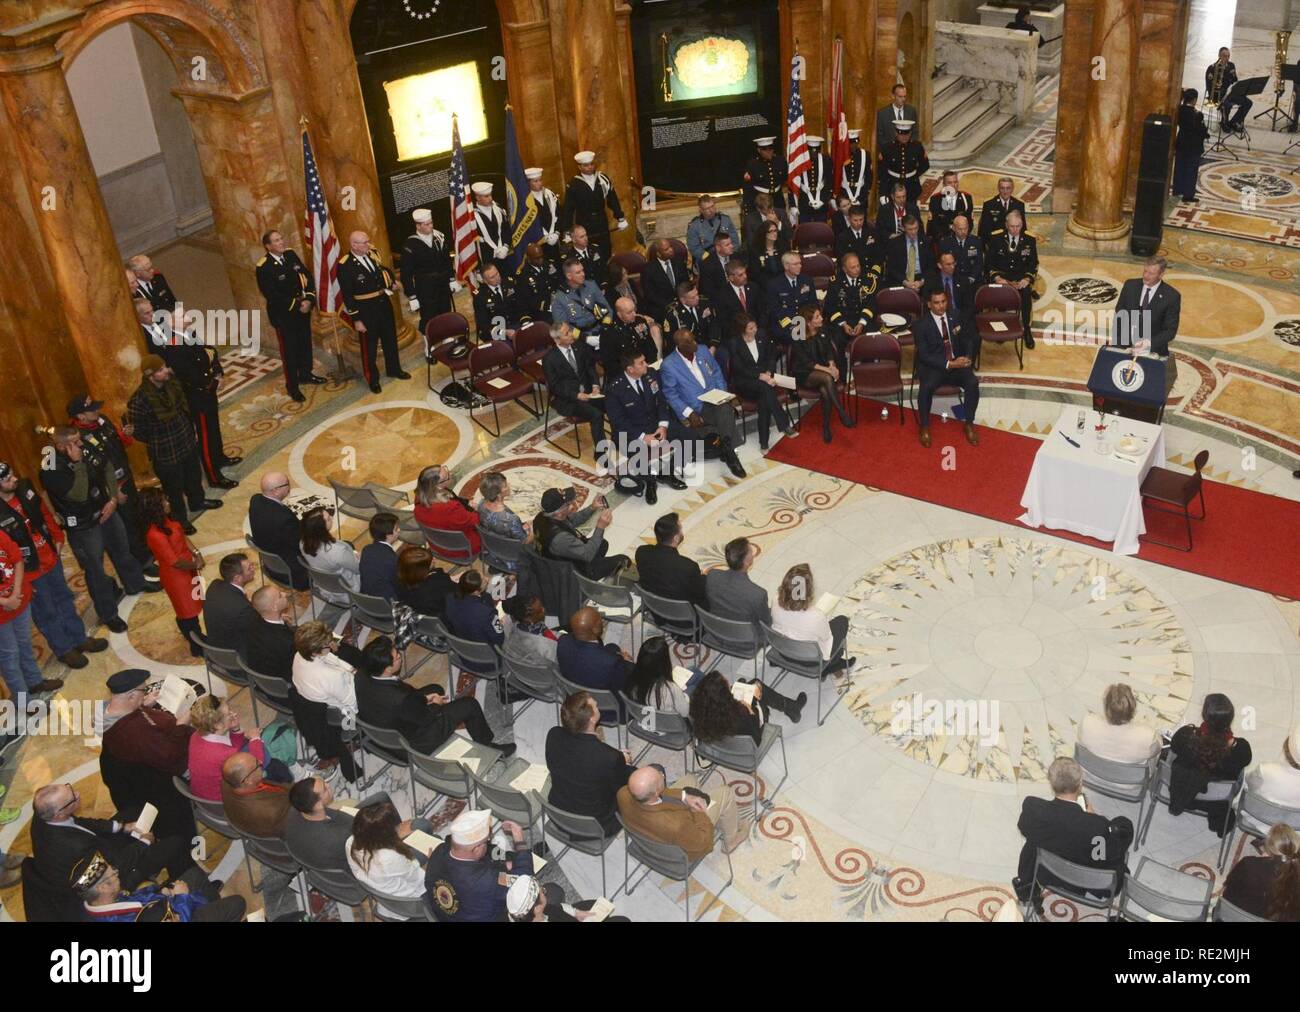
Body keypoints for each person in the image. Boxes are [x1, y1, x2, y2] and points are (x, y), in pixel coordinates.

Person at [39, 426, 157, 634]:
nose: (80, 445)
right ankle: (108, 614)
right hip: (84, 526)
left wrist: (112, 498)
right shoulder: (50, 467)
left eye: (79, 440)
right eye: (74, 443)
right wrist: (78, 464)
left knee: (123, 551)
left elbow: (107, 467)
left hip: (106, 511)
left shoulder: (84, 447)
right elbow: (78, 494)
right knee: (96, 571)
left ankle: (135, 583)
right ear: (59, 446)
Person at [0, 461, 99, 671]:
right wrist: (20, 580)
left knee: (64, 597)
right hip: (28, 570)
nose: (15, 479)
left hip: (49, 557)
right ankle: (64, 649)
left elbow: (44, 512)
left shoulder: (25, 488)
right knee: (46, 611)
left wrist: (56, 535)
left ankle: (78, 637)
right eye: (8, 479)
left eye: (13, 474)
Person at [354, 635, 509, 756]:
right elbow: (425, 718)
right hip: (415, 741)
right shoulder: (401, 699)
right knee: (469, 705)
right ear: (387, 668)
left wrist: (424, 698)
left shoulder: (361, 675)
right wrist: (435, 704)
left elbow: (407, 703)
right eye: (397, 657)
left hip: (390, 721)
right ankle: (490, 748)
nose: (400, 656)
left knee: (435, 688)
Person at [1013, 757, 1133, 910]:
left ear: (1051, 783)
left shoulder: (1033, 808)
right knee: (1123, 824)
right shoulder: (1097, 826)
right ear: (1080, 784)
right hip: (1085, 880)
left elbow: (1025, 828)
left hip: (1046, 872)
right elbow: (1100, 858)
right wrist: (1094, 818)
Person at [32, 781, 196, 892]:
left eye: (71, 789)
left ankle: (154, 857)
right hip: (111, 879)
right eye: (73, 797)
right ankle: (185, 881)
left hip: (101, 852)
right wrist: (144, 842)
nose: (78, 794)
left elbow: (82, 822)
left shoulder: (45, 814)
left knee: (134, 813)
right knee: (175, 844)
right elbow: (116, 865)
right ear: (59, 814)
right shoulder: (73, 846)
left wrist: (123, 827)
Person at [127, 355, 221, 534]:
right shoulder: (140, 400)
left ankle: (197, 501)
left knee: (193, 476)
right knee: (174, 489)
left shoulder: (172, 383)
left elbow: (183, 406)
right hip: (165, 451)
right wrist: (158, 438)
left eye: (164, 367)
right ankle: (181, 519)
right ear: (151, 376)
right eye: (161, 370)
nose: (166, 371)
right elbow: (139, 431)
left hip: (185, 439)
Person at [152, 301, 240, 489]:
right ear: (172, 323)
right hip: (198, 396)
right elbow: (190, 375)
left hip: (208, 392)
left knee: (214, 428)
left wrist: (218, 371)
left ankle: (220, 457)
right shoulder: (175, 345)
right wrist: (214, 382)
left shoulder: (189, 334)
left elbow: (209, 352)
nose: (188, 316)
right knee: (206, 436)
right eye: (182, 316)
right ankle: (214, 476)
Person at [67, 394, 154, 571]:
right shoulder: (78, 439)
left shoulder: (102, 420)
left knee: (136, 516)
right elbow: (94, 472)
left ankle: (148, 550)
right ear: (80, 416)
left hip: (126, 476)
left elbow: (116, 442)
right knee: (127, 525)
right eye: (91, 409)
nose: (97, 410)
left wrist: (125, 435)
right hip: (113, 487)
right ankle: (142, 562)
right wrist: (114, 491)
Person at [545, 690, 636, 835]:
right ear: (592, 719)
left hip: (559, 813)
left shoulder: (553, 735)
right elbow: (622, 785)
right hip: (595, 824)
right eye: (595, 706)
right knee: (642, 779)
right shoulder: (609, 757)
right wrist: (624, 762)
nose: (597, 705)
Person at [604, 351, 689, 503]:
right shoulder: (614, 389)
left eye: (645, 361)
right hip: (631, 432)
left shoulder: (651, 374)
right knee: (638, 458)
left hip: (655, 425)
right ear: (630, 369)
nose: (647, 364)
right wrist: (643, 437)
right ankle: (650, 482)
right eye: (641, 363)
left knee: (689, 438)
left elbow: (662, 401)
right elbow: (619, 421)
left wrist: (663, 425)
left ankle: (667, 473)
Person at [660, 329, 747, 479]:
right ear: (680, 345)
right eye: (690, 342)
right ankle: (729, 451)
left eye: (694, 339)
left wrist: (723, 394)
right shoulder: (669, 365)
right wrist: (689, 413)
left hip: (715, 398)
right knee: (725, 412)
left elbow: (717, 373)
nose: (695, 343)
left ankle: (727, 449)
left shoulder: (703, 350)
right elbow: (670, 394)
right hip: (696, 406)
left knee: (724, 407)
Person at [424, 809, 536, 922]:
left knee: (500, 857)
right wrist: (520, 841)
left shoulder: (438, 853)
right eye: (487, 841)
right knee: (551, 892)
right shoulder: (487, 881)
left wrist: (502, 867)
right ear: (476, 848)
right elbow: (524, 881)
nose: (488, 842)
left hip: (449, 916)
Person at [72, 849, 245, 922]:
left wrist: (157, 890)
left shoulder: (93, 903)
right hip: (177, 915)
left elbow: (131, 898)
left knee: (194, 874)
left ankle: (209, 900)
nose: (117, 873)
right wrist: (181, 896)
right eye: (112, 874)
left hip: (161, 905)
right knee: (237, 903)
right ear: (102, 887)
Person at [336, 230, 411, 393]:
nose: (368, 245)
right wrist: (356, 319)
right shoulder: (345, 265)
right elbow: (347, 295)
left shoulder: (372, 254)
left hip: (383, 304)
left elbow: (382, 270)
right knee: (369, 347)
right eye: (364, 242)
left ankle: (394, 369)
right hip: (365, 311)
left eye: (368, 241)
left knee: (390, 339)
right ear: (354, 245)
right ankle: (373, 379)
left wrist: (390, 282)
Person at [1169, 693, 1253, 837]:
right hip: (1216, 803)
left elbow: (1174, 748)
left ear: (1204, 715)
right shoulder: (1241, 749)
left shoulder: (1185, 736)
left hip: (1184, 794)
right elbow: (1244, 762)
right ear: (1230, 720)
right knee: (1240, 772)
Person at [617, 764, 746, 857]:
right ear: (656, 792)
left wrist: (685, 797)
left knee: (691, 779)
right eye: (660, 776)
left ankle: (723, 818)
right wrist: (699, 812)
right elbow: (701, 842)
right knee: (725, 792)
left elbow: (661, 794)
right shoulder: (678, 826)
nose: (663, 774)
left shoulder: (623, 793)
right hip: (687, 837)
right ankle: (730, 841)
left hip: (648, 827)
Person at [256, 229, 323, 402]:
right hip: (285, 315)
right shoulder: (264, 267)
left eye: (281, 238)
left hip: (303, 309)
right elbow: (272, 294)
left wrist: (308, 299)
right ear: (268, 246)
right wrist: (297, 305)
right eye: (276, 241)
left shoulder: (291, 255)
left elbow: (306, 277)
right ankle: (292, 386)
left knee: (305, 343)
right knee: (290, 351)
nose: (281, 242)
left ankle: (306, 374)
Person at [138, 487, 204, 657]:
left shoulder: (167, 521)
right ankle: (197, 646)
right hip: (177, 579)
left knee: (194, 606)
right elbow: (174, 562)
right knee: (188, 611)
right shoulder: (155, 535)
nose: (168, 503)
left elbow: (182, 537)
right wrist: (195, 565)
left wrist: (196, 553)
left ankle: (191, 632)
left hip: (188, 570)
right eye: (164, 501)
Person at [187, 695, 289, 802]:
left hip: (204, 797)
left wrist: (236, 729)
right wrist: (255, 739)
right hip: (226, 803)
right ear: (218, 725)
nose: (233, 714)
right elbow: (257, 765)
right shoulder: (224, 754)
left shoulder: (195, 736)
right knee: (272, 762)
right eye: (228, 713)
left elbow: (236, 749)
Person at [914, 287, 980, 447]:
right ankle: (924, 426)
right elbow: (923, 355)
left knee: (972, 383)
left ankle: (969, 422)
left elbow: (968, 339)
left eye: (943, 301)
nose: (941, 306)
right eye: (936, 303)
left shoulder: (955, 316)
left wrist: (968, 357)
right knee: (926, 387)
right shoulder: (920, 325)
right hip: (934, 367)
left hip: (957, 364)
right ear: (929, 304)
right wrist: (949, 363)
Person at [346, 799, 435, 917]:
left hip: (387, 902)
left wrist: (396, 836)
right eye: (397, 825)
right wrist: (434, 862)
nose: (401, 825)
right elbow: (419, 880)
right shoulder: (390, 857)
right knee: (436, 846)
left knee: (424, 832)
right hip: (412, 905)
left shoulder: (350, 843)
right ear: (386, 833)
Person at [1110, 256, 1181, 395]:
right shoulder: (1130, 285)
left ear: (1161, 274)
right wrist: (1120, 343)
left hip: (1152, 353)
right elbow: (1120, 313)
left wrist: (1147, 343)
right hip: (1124, 348)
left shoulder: (1171, 296)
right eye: (1145, 271)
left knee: (1146, 393)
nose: (1146, 276)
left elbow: (1170, 331)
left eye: (1151, 273)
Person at [771, 563, 855, 675]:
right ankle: (830, 666)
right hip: (810, 661)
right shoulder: (816, 616)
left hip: (782, 651)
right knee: (842, 621)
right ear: (808, 590)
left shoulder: (775, 600)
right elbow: (826, 638)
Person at [542, 322, 606, 463]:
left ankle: (619, 439)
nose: (571, 334)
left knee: (614, 402)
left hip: (589, 391)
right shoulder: (549, 359)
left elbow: (590, 368)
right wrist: (576, 395)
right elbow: (555, 386)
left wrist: (595, 384)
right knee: (596, 415)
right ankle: (601, 454)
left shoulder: (579, 347)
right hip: (568, 399)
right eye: (567, 333)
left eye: (570, 330)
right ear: (557, 340)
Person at [727, 313, 794, 450]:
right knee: (766, 388)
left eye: (755, 326)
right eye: (751, 328)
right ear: (743, 329)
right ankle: (783, 423)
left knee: (765, 396)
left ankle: (764, 441)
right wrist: (760, 376)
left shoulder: (762, 335)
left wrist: (769, 372)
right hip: (745, 382)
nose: (755, 330)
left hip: (765, 380)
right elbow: (739, 368)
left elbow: (771, 356)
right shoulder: (735, 343)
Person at [0, 524, 49, 705]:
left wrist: (16, 592)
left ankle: (34, 681)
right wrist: (6, 601)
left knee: (24, 643)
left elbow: (18, 560)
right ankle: (24, 702)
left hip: (20, 600)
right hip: (2, 613)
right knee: (9, 657)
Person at [789, 306, 854, 443]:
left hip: (823, 369)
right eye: (817, 317)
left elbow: (829, 350)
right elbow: (806, 363)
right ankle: (841, 412)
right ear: (808, 322)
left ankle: (826, 426)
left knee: (825, 390)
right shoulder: (797, 335)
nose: (821, 319)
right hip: (804, 373)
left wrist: (832, 364)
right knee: (827, 378)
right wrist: (828, 370)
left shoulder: (823, 329)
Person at [533, 486, 627, 580]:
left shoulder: (542, 516)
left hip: (562, 559)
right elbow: (588, 554)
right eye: (569, 503)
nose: (574, 503)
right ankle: (591, 576)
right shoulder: (560, 538)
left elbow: (572, 520)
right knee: (623, 560)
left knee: (602, 543)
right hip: (573, 573)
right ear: (559, 513)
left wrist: (592, 507)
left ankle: (597, 565)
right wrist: (600, 527)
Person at [690, 669, 805, 742]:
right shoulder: (741, 714)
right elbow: (756, 739)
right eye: (727, 686)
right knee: (757, 685)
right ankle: (792, 707)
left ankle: (743, 685)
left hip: (726, 734)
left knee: (746, 686)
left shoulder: (699, 709)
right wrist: (751, 708)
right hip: (753, 727)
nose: (729, 684)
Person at [1220, 824, 1300, 922]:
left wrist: (1262, 861)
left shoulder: (1249, 864)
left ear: (1267, 847)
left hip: (1235, 915)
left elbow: (1229, 883)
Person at [399, 208, 460, 335]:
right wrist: (412, 296)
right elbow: (406, 273)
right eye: (427, 224)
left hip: (442, 282)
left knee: (445, 310)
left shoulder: (439, 237)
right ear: (418, 226)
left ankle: (446, 336)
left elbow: (446, 261)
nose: (431, 226)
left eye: (431, 222)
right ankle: (429, 341)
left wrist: (452, 279)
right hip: (425, 286)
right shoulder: (410, 245)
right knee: (428, 315)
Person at [556, 607, 633, 707]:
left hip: (574, 693)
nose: (602, 622)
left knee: (612, 647)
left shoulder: (562, 641)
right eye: (600, 621)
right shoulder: (611, 663)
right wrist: (625, 663)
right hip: (605, 709)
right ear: (595, 630)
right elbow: (621, 689)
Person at [984, 209, 1038, 348]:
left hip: (1020, 280)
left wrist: (1027, 279)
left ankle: (1026, 329)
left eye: (1018, 226)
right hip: (1003, 278)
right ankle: (1001, 328)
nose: (1015, 230)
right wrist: (997, 278)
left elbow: (1033, 263)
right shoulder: (996, 238)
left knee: (1026, 296)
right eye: (1012, 226)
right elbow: (989, 263)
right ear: (1006, 225)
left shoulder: (1029, 240)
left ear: (1022, 225)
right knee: (999, 297)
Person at [248, 471, 309, 590]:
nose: (289, 486)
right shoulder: (283, 519)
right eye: (287, 484)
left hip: (270, 564)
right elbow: (301, 546)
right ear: (275, 491)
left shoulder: (255, 500)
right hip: (293, 573)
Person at [292, 619, 358, 723]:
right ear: (315, 651)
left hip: (319, 694)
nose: (331, 644)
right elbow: (352, 703)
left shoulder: (299, 655)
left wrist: (351, 669)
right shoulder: (332, 677)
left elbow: (328, 658)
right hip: (346, 710)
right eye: (328, 644)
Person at [635, 511, 707, 606]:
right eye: (681, 529)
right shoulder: (688, 567)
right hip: (682, 617)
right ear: (676, 538)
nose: (682, 531)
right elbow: (699, 595)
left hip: (654, 608)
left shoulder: (642, 552)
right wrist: (703, 578)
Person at [559, 151, 628, 249]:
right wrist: (567, 231)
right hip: (584, 224)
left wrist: (620, 218)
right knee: (588, 251)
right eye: (586, 165)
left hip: (601, 222)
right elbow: (568, 209)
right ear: (579, 167)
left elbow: (612, 199)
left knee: (606, 249)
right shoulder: (573, 184)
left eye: (592, 164)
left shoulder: (602, 178)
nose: (590, 167)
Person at [285, 776, 357, 870]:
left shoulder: (293, 812)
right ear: (318, 805)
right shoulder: (341, 837)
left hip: (318, 867)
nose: (328, 785)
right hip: (350, 872)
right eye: (325, 789)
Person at [1078, 683, 1161, 764]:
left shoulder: (1087, 723)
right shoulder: (1147, 736)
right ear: (1133, 709)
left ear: (1106, 708)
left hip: (1093, 775)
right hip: (1130, 777)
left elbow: (1081, 738)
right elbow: (1157, 749)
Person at [413, 463, 479, 562]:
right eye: (447, 476)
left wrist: (466, 502)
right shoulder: (450, 508)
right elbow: (474, 521)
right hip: (461, 548)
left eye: (446, 470)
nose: (451, 474)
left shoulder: (420, 498)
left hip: (438, 544)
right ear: (438, 485)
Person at [549, 256, 614, 356]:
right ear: (569, 276)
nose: (583, 274)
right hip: (578, 338)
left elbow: (607, 309)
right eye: (578, 272)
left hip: (600, 329)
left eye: (582, 270)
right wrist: (585, 338)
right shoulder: (559, 298)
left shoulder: (591, 285)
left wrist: (604, 329)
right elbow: (563, 326)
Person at [824, 252, 882, 363]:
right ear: (845, 269)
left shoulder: (868, 279)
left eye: (858, 266)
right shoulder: (835, 282)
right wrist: (843, 324)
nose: (857, 270)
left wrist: (861, 323)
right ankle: (842, 372)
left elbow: (871, 304)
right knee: (836, 339)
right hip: (843, 321)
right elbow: (830, 307)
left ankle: (867, 368)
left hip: (862, 319)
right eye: (853, 267)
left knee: (872, 336)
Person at [220, 751, 292, 839]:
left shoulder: (228, 781)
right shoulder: (273, 812)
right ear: (248, 780)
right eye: (257, 765)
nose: (261, 762)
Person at [624, 634, 699, 718]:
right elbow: (685, 713)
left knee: (694, 670)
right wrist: (685, 696)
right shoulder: (671, 688)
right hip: (667, 725)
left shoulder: (633, 678)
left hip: (647, 719)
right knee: (696, 683)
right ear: (664, 662)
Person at [705, 537, 772, 628]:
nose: (753, 555)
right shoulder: (758, 594)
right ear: (747, 561)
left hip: (715, 630)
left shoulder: (712, 575)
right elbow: (766, 623)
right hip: (745, 640)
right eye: (751, 552)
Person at [442, 570, 505, 665]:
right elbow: (500, 638)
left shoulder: (449, 598)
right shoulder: (486, 613)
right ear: (476, 591)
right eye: (484, 580)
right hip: (488, 661)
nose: (487, 579)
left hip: (463, 654)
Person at [506, 873, 627, 922]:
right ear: (536, 908)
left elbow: (556, 908)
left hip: (561, 916)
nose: (544, 890)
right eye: (542, 891)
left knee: (595, 904)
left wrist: (575, 912)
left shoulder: (525, 913)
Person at [299, 506, 359, 605]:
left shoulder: (302, 543)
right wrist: (356, 555)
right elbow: (358, 569)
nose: (331, 517)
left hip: (325, 586)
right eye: (328, 519)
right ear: (320, 528)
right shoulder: (338, 551)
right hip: (347, 590)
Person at [476, 472, 531, 575]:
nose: (508, 486)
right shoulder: (511, 519)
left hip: (492, 547)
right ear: (498, 494)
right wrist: (531, 531)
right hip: (512, 555)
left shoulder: (481, 505)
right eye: (505, 486)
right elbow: (524, 541)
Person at [203, 552, 255, 651]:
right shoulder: (243, 608)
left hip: (216, 642)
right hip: (234, 652)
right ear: (237, 578)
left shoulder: (214, 585)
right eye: (249, 568)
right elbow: (255, 630)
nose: (253, 569)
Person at [243, 586, 296, 678]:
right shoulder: (287, 642)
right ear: (275, 607)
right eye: (280, 595)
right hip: (285, 681)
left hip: (263, 679)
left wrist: (279, 616)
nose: (285, 594)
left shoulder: (252, 623)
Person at [604, 296, 663, 379]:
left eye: (634, 310)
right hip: (629, 374)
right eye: (629, 312)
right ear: (619, 315)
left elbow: (650, 345)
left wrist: (650, 364)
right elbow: (611, 364)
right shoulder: (609, 333)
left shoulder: (640, 321)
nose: (634, 314)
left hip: (647, 366)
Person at [767, 252, 818, 347]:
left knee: (822, 334)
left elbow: (813, 303)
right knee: (799, 337)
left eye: (800, 263)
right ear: (786, 266)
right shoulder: (774, 284)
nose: (800, 266)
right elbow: (775, 310)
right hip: (786, 323)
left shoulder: (806, 280)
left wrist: (807, 321)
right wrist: (795, 324)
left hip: (806, 320)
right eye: (795, 264)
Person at [926, 251, 976, 348]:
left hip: (959, 316)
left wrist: (960, 323)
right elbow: (929, 305)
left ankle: (967, 362)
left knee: (973, 338)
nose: (952, 266)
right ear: (939, 265)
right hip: (939, 317)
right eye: (948, 264)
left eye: (953, 263)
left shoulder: (963, 279)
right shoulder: (931, 281)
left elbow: (969, 306)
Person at [394, 544, 455, 618]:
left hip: (418, 613)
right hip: (442, 618)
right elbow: (455, 595)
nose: (435, 559)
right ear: (422, 570)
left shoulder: (398, 578)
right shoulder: (438, 582)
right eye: (432, 561)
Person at [640, 239, 691, 325]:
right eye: (666, 249)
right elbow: (650, 295)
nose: (671, 250)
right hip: (662, 307)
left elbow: (686, 283)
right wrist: (669, 305)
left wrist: (683, 299)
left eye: (670, 247)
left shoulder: (679, 262)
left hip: (682, 302)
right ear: (659, 254)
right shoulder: (648, 270)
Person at [664, 281, 721, 358]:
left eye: (697, 294)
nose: (697, 298)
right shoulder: (673, 314)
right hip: (689, 351)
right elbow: (673, 342)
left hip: (708, 344)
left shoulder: (704, 302)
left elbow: (714, 325)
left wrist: (713, 346)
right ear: (683, 300)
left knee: (723, 354)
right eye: (693, 297)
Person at [878, 120, 929, 206]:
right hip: (892, 184)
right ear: (896, 133)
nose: (904, 137)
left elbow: (925, 165)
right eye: (901, 134)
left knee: (910, 212)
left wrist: (914, 175)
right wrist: (883, 192)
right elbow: (882, 171)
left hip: (911, 185)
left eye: (907, 134)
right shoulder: (887, 147)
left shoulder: (917, 146)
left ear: (910, 133)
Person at [1247, 726, 1300, 807]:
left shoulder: (1265, 771)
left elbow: (1249, 783)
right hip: (1292, 820)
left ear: (1286, 747)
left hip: (1254, 818)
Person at [501, 594, 560, 665]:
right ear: (528, 619)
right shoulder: (544, 646)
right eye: (540, 611)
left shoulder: (514, 629)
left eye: (542, 606)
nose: (544, 610)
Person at [471, 262, 522, 343]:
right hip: (496, 330)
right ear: (485, 280)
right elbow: (483, 324)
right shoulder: (480, 296)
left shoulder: (509, 283)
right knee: (506, 350)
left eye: (497, 273)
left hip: (515, 323)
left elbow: (520, 305)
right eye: (492, 277)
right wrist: (504, 332)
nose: (497, 278)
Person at [470, 181, 511, 276]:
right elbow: (473, 244)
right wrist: (478, 269)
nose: (490, 198)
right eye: (486, 196)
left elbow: (506, 230)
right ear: (477, 197)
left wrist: (505, 246)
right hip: (486, 260)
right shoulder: (471, 216)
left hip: (504, 255)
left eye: (490, 195)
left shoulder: (498, 209)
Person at [740, 136, 789, 216]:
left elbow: (784, 179)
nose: (769, 152)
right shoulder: (753, 164)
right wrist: (747, 208)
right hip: (760, 200)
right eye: (765, 150)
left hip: (777, 199)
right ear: (759, 150)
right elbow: (747, 188)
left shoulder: (780, 161)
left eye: (771, 149)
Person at [1173, 89, 1207, 203]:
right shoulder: (1197, 115)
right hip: (1194, 145)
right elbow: (1201, 131)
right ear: (1194, 100)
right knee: (1191, 170)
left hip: (1181, 142)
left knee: (1179, 167)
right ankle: (1188, 194)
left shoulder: (1180, 110)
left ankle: (1177, 190)